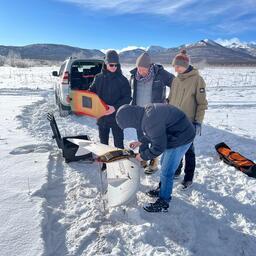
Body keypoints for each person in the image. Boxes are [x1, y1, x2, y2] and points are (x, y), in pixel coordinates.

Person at [116, 103, 195, 212]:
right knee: (164, 165)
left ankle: (164, 201)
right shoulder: (146, 113)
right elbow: (155, 132)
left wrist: (142, 156)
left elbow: (158, 147)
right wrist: (140, 142)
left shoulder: (150, 120)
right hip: (176, 133)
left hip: (181, 138)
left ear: (131, 119)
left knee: (167, 171)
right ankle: (163, 189)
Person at [168, 49, 208, 189]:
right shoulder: (176, 80)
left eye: (177, 66)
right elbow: (171, 98)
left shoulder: (197, 80)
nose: (175, 68)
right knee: (174, 147)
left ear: (185, 65)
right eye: (174, 66)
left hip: (188, 123)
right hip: (173, 121)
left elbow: (202, 103)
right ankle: (177, 171)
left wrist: (198, 122)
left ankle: (189, 177)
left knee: (189, 151)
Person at [130, 52, 175, 174]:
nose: (141, 71)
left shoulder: (160, 74)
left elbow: (176, 84)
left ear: (149, 67)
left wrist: (169, 100)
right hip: (139, 112)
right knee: (141, 137)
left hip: (155, 113)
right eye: (139, 68)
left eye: (143, 69)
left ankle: (154, 164)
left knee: (154, 138)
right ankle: (143, 159)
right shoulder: (134, 75)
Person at [89, 50, 131, 150]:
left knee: (119, 144)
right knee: (103, 144)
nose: (114, 67)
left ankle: (120, 164)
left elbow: (127, 97)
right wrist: (74, 98)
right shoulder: (98, 78)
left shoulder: (122, 79)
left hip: (117, 117)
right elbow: (91, 93)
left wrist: (115, 108)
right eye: (111, 65)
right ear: (106, 63)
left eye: (116, 65)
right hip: (102, 117)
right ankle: (105, 164)